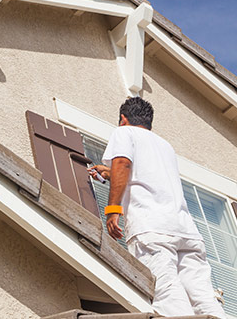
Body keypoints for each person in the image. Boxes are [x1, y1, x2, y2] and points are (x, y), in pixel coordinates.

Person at [88, 97, 226, 317]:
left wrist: (113, 210)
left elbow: (123, 163)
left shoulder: (123, 133)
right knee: (204, 298)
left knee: (167, 292)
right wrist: (108, 173)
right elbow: (146, 176)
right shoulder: (164, 146)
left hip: (152, 229)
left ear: (123, 119)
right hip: (186, 232)